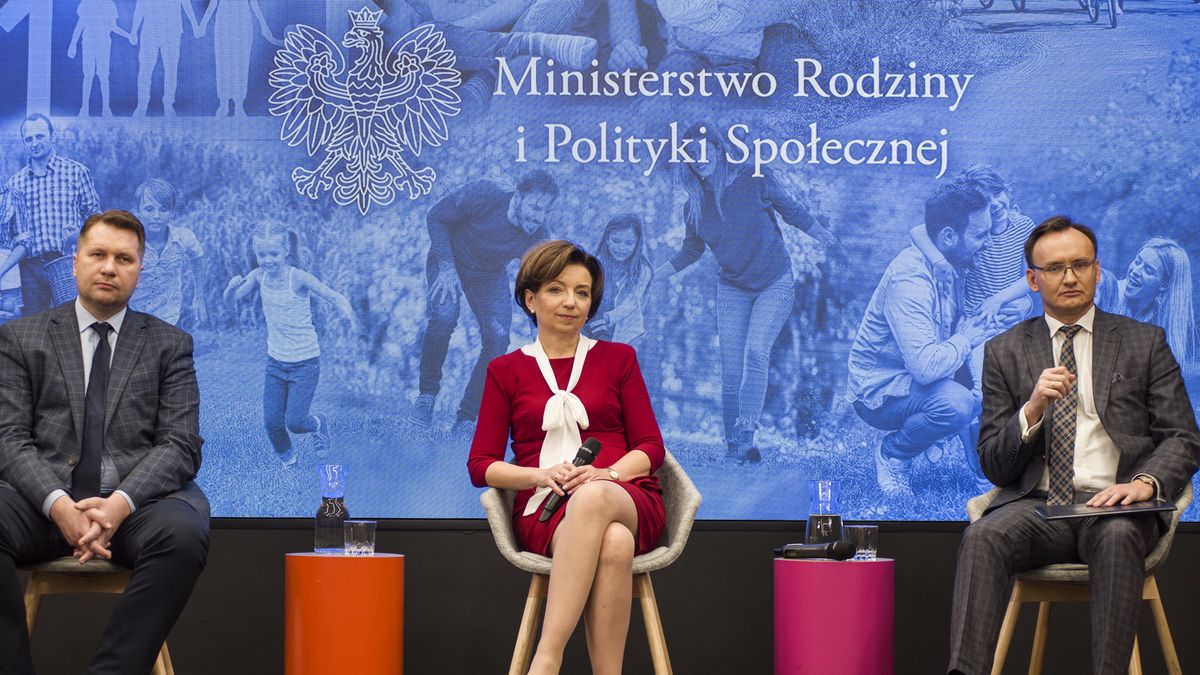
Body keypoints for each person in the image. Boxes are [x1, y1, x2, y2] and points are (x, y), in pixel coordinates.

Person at [947, 216, 1200, 675]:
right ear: (1032, 278)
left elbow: (1183, 436)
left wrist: (1145, 483)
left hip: (1115, 506)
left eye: (1080, 265)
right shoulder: (1005, 350)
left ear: (1098, 271)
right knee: (982, 536)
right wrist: (1032, 410)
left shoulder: (1143, 342)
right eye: (1055, 267)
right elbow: (993, 463)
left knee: (1119, 533)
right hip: (1040, 508)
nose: (1069, 277)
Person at [0, 210, 209, 673]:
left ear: (140, 270)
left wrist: (118, 505)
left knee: (183, 535)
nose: (110, 267)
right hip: (41, 506)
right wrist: (59, 506)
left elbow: (180, 444)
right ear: (75, 263)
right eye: (98, 254)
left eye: (124, 258)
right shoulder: (20, 338)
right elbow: (8, 439)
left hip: (134, 510)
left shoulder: (170, 344)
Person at [467, 240, 666, 675]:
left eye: (582, 292)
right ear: (530, 298)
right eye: (557, 290)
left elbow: (651, 447)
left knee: (595, 498)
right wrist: (538, 476)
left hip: (626, 495)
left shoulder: (619, 358)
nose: (572, 302)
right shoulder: (505, 370)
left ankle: (547, 658)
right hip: (548, 510)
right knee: (615, 544)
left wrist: (606, 474)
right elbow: (481, 465)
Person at [656, 121, 841, 463]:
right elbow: (690, 252)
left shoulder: (754, 177)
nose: (697, 158)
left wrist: (830, 241)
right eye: (690, 153)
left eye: (702, 149)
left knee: (757, 351)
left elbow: (793, 211)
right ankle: (731, 444)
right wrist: (654, 275)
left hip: (774, 281)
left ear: (717, 147)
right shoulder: (693, 206)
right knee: (730, 370)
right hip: (732, 287)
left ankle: (746, 436)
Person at [846, 182, 1002, 496]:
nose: (988, 243)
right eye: (980, 235)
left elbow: (922, 228)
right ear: (947, 236)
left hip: (922, 374)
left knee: (995, 383)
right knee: (957, 404)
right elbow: (926, 368)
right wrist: (966, 338)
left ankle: (976, 464)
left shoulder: (949, 263)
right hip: (880, 391)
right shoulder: (910, 280)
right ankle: (893, 453)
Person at [405, 170, 556, 437]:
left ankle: (465, 419)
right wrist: (446, 266)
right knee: (444, 317)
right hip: (449, 259)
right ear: (517, 196)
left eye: (545, 211)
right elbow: (436, 217)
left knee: (498, 339)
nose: (538, 217)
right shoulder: (486, 193)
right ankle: (426, 397)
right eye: (534, 207)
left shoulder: (538, 235)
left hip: (487, 275)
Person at [224, 223, 359, 468]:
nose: (268, 260)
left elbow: (333, 295)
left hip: (305, 362)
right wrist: (230, 288)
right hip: (275, 363)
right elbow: (233, 300)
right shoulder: (257, 277)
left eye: (273, 254)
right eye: (262, 255)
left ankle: (319, 424)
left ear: (285, 250)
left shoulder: (297, 278)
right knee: (272, 423)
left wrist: (350, 316)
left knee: (296, 423)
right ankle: (290, 465)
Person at [4, 114, 101, 317]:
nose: (35, 143)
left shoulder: (76, 172)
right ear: (24, 142)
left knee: (72, 323)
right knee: (35, 326)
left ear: (53, 137)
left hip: (67, 261)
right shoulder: (16, 183)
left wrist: (79, 234)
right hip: (30, 267)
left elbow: (97, 219)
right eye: (29, 139)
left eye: (40, 136)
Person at [1096, 237, 1196, 370]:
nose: (1136, 271)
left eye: (1148, 270)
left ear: (1164, 285)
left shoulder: (1159, 326)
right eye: (1137, 261)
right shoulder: (1104, 291)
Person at [129, 179, 206, 327]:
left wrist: (199, 296)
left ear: (172, 212)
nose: (156, 215)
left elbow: (197, 257)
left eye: (163, 209)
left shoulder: (183, 238)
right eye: (149, 209)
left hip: (169, 318)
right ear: (137, 211)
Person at [584, 214, 652, 345]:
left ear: (637, 243)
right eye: (616, 241)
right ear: (607, 239)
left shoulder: (643, 271)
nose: (621, 248)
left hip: (625, 333)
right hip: (593, 325)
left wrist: (608, 318)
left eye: (628, 243)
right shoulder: (594, 264)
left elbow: (630, 304)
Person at [131, 0, 203, 117]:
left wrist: (195, 25)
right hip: (150, 30)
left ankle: (168, 104)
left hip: (172, 30)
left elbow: (186, 3)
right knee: (145, 69)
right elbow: (140, 5)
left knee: (171, 69)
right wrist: (134, 29)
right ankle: (142, 104)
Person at [67, 0, 132, 117]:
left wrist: (128, 35)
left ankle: (106, 109)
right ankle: (84, 109)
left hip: (104, 44)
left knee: (103, 76)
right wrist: (73, 44)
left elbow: (113, 26)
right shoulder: (86, 3)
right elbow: (80, 24)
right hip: (88, 42)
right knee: (88, 75)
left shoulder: (110, 4)